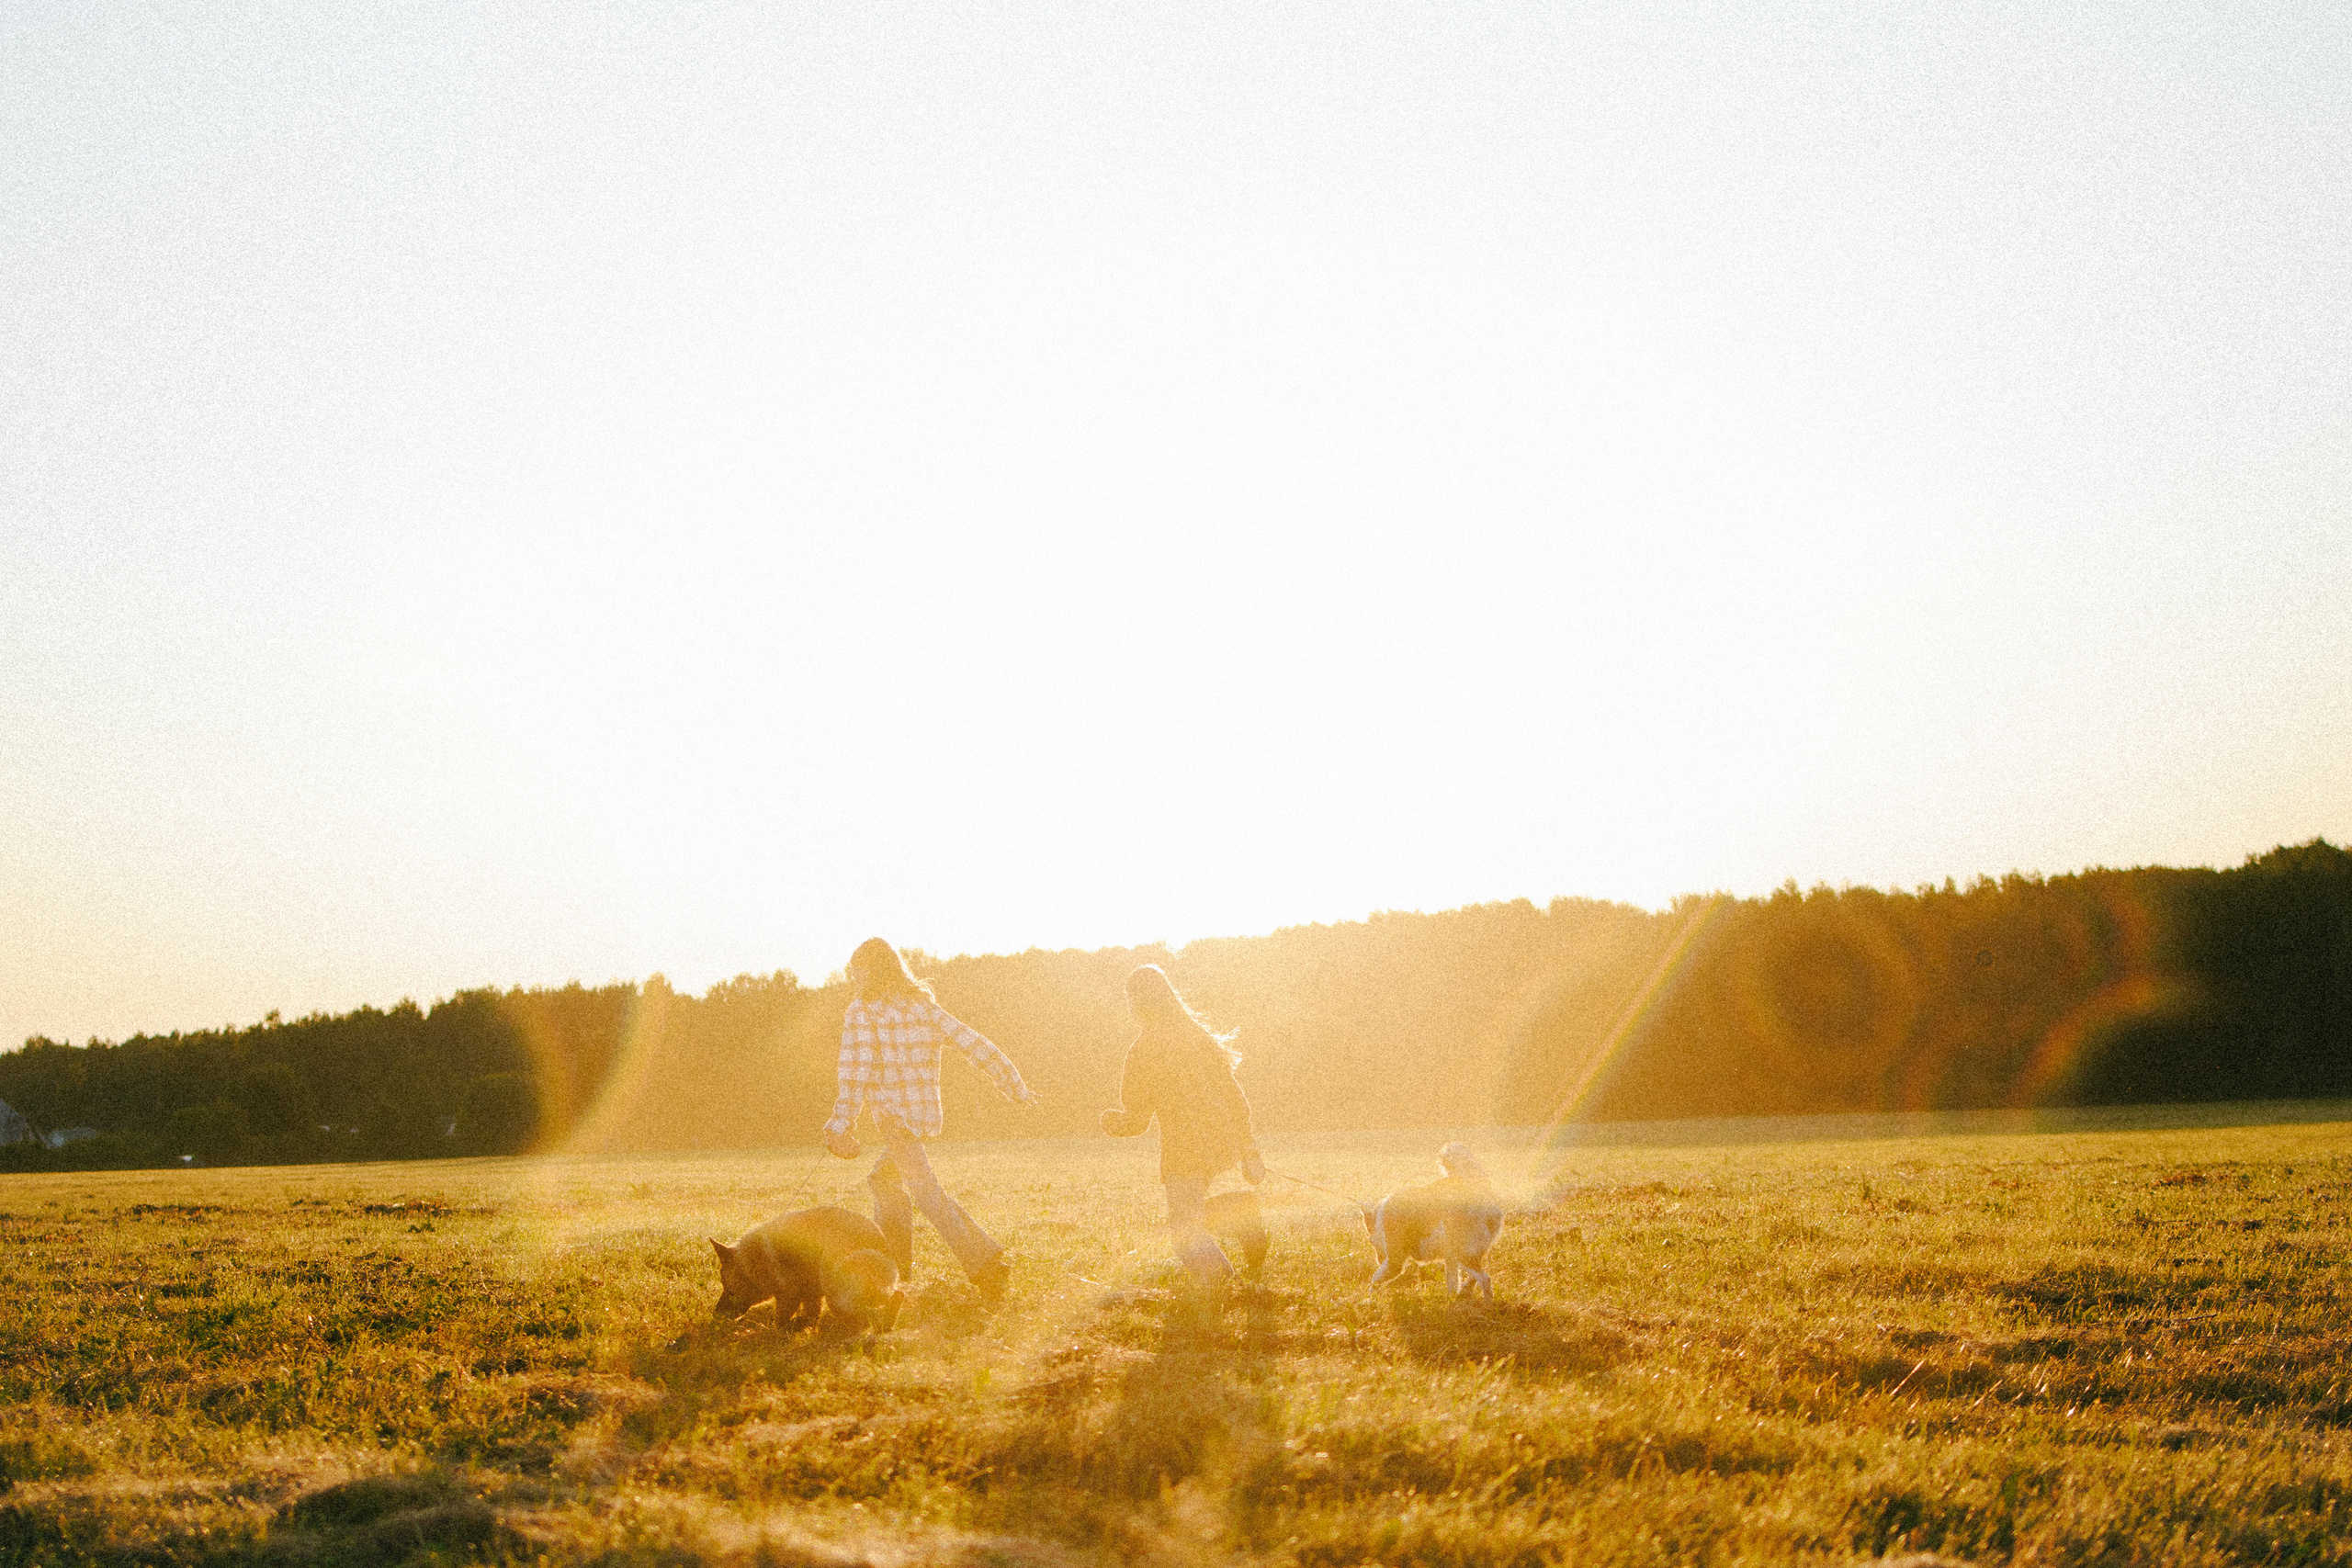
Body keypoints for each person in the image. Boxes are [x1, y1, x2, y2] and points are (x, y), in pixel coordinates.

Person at [822, 938, 1038, 1303]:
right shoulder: (921, 1007)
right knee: (884, 1181)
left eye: (856, 972)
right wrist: (1014, 1085)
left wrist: (839, 1124)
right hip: (920, 1119)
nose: (855, 980)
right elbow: (974, 1043)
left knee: (926, 1194)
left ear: (868, 970)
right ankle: (896, 1267)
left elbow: (854, 1073)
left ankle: (985, 1265)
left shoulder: (864, 1011)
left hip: (894, 1120)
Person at [1099, 964, 1266, 1296]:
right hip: (1220, 1137)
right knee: (1191, 1215)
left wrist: (1112, 1123)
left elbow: (1137, 1121)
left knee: (1183, 1232)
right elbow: (1233, 1094)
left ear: (1135, 1004)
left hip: (1185, 1145)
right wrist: (1247, 1145)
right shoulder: (1197, 1036)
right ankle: (1239, 1214)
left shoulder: (1144, 1049)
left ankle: (1222, 1282)